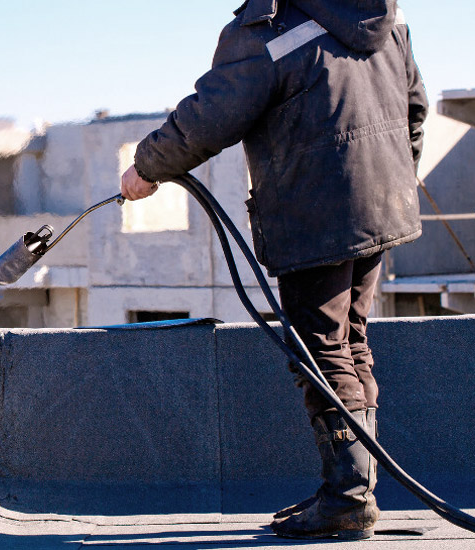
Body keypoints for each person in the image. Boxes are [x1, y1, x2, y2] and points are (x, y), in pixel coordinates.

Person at [121, 0, 427, 540]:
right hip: (382, 204)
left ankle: (348, 498)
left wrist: (148, 166)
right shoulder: (383, 19)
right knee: (351, 341)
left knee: (324, 349)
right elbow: (415, 110)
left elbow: (211, 113)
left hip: (315, 215)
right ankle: (350, 490)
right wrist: (384, 187)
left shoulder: (268, 29)